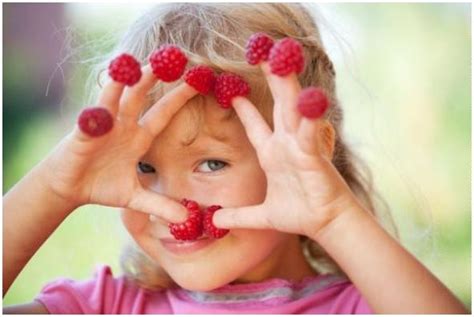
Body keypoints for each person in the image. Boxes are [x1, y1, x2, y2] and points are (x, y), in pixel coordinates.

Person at [3, 3, 467, 314]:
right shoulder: (107, 305)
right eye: (145, 167)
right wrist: (55, 187)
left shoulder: (364, 305)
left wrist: (332, 216)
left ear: (313, 157)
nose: (174, 204)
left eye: (211, 163)